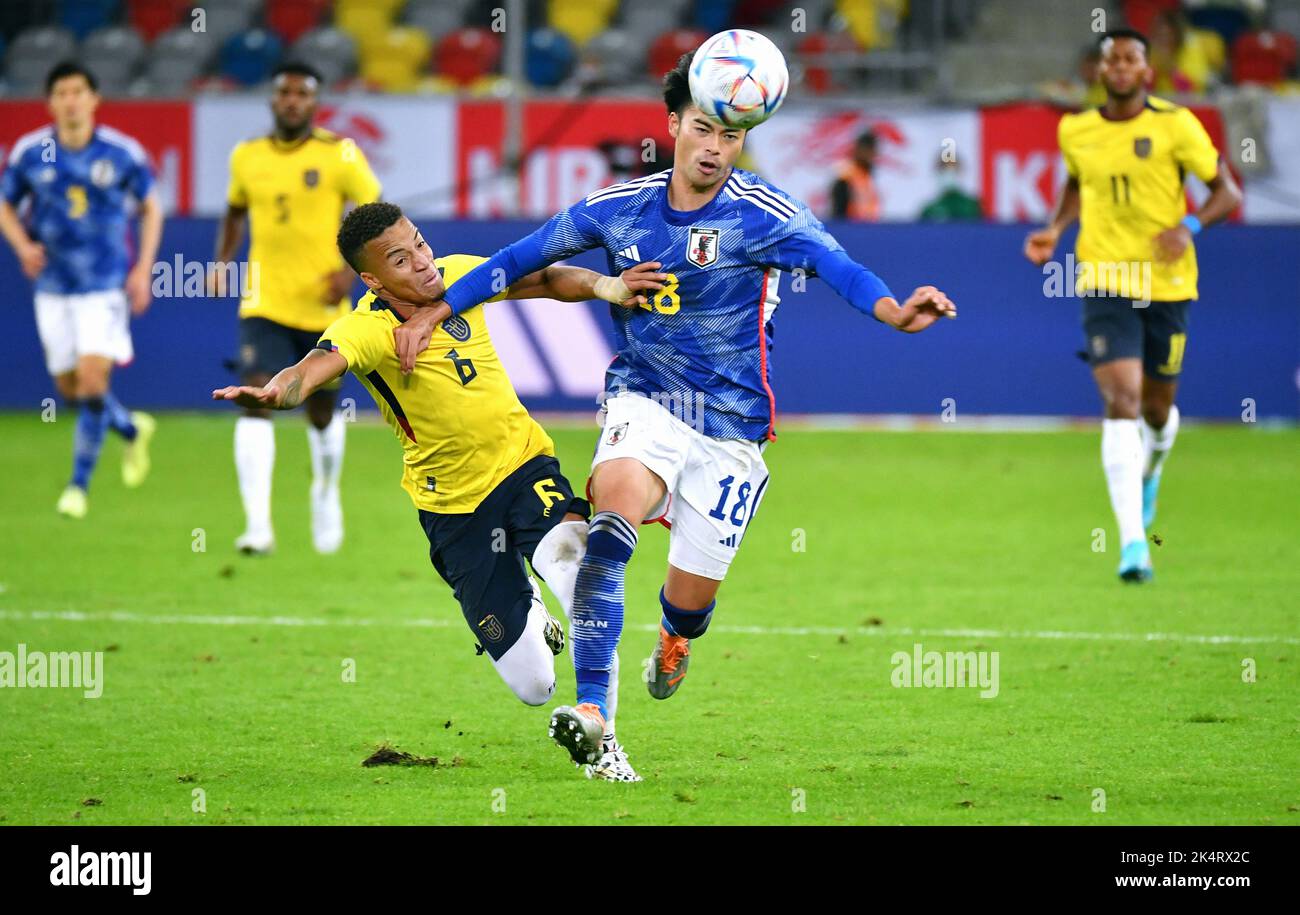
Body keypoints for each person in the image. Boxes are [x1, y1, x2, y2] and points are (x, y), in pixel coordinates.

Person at [392, 53, 956, 769]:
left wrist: (894, 310)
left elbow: (836, 265)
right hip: (646, 400)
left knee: (689, 601)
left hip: (732, 431)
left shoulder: (763, 213)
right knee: (609, 525)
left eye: (731, 135)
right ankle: (594, 709)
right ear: (674, 125)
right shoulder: (619, 207)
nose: (716, 147)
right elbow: (517, 257)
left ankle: (676, 637)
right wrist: (438, 310)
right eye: (704, 128)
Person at [212, 202, 666, 781]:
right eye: (401, 260)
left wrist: (607, 284)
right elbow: (312, 368)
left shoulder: (459, 276)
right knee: (532, 685)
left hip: (525, 468)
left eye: (420, 244)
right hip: (453, 512)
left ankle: (602, 736)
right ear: (373, 279)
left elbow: (548, 277)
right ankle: (524, 605)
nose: (424, 264)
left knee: (578, 571)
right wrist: (277, 394)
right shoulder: (366, 329)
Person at [1024, 28, 1241, 582]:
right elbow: (1077, 184)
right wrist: (1054, 229)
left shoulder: (1176, 124)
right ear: (1099, 71)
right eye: (1111, 58)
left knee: (1156, 410)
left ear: (1147, 71)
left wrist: (1188, 226)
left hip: (1168, 286)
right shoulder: (1077, 129)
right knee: (1121, 399)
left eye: (1131, 59)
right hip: (1103, 280)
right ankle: (1132, 546)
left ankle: (1154, 470)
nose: (1120, 67)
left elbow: (1228, 192)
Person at [209, 62, 381, 555]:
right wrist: (222, 263)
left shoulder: (340, 153)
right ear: (273, 99)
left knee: (322, 412)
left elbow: (373, 215)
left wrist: (349, 272)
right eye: (284, 92)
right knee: (258, 394)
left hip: (324, 307)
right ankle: (258, 525)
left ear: (315, 101)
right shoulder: (247, 156)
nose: (291, 101)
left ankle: (325, 492)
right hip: (263, 301)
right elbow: (235, 211)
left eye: (302, 93)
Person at [0, 61, 162, 519]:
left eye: (78, 92)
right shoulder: (32, 153)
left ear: (94, 99)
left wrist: (143, 269)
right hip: (52, 287)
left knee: (92, 381)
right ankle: (130, 427)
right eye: (61, 93)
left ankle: (77, 487)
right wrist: (22, 245)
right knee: (70, 387)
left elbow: (152, 207)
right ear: (50, 102)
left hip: (104, 285)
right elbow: (5, 205)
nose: (70, 100)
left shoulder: (121, 152)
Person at [829, 130, 881, 221]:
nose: (872, 155)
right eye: (868, 149)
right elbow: (838, 209)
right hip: (851, 229)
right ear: (858, 149)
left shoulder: (867, 175)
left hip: (867, 228)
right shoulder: (846, 174)